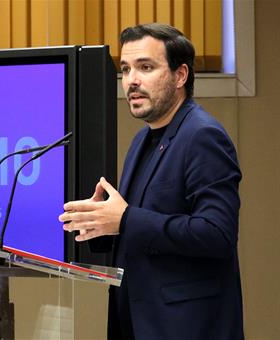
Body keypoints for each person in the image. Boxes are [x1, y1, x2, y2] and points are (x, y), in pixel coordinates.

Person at [59, 23, 244, 340]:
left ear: (180, 75)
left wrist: (125, 219)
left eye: (145, 67)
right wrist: (100, 225)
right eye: (126, 68)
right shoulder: (142, 141)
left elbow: (217, 234)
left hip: (186, 328)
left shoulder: (202, 136)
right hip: (137, 324)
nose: (131, 80)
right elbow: (140, 230)